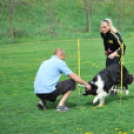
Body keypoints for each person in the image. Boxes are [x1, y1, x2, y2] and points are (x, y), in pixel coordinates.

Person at [34, 48, 91, 112]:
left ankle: (43, 101)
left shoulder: (45, 62)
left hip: (37, 92)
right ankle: (61, 106)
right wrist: (86, 84)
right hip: (48, 91)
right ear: (60, 55)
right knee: (71, 83)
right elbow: (73, 76)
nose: (65, 58)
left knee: (53, 87)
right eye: (64, 56)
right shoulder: (59, 62)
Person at [100, 18, 126, 96]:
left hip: (118, 52)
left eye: (104, 27)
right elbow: (105, 41)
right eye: (101, 27)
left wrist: (115, 53)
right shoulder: (103, 34)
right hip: (110, 52)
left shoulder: (114, 34)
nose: (102, 29)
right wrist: (105, 50)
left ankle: (114, 91)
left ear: (109, 27)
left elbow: (123, 46)